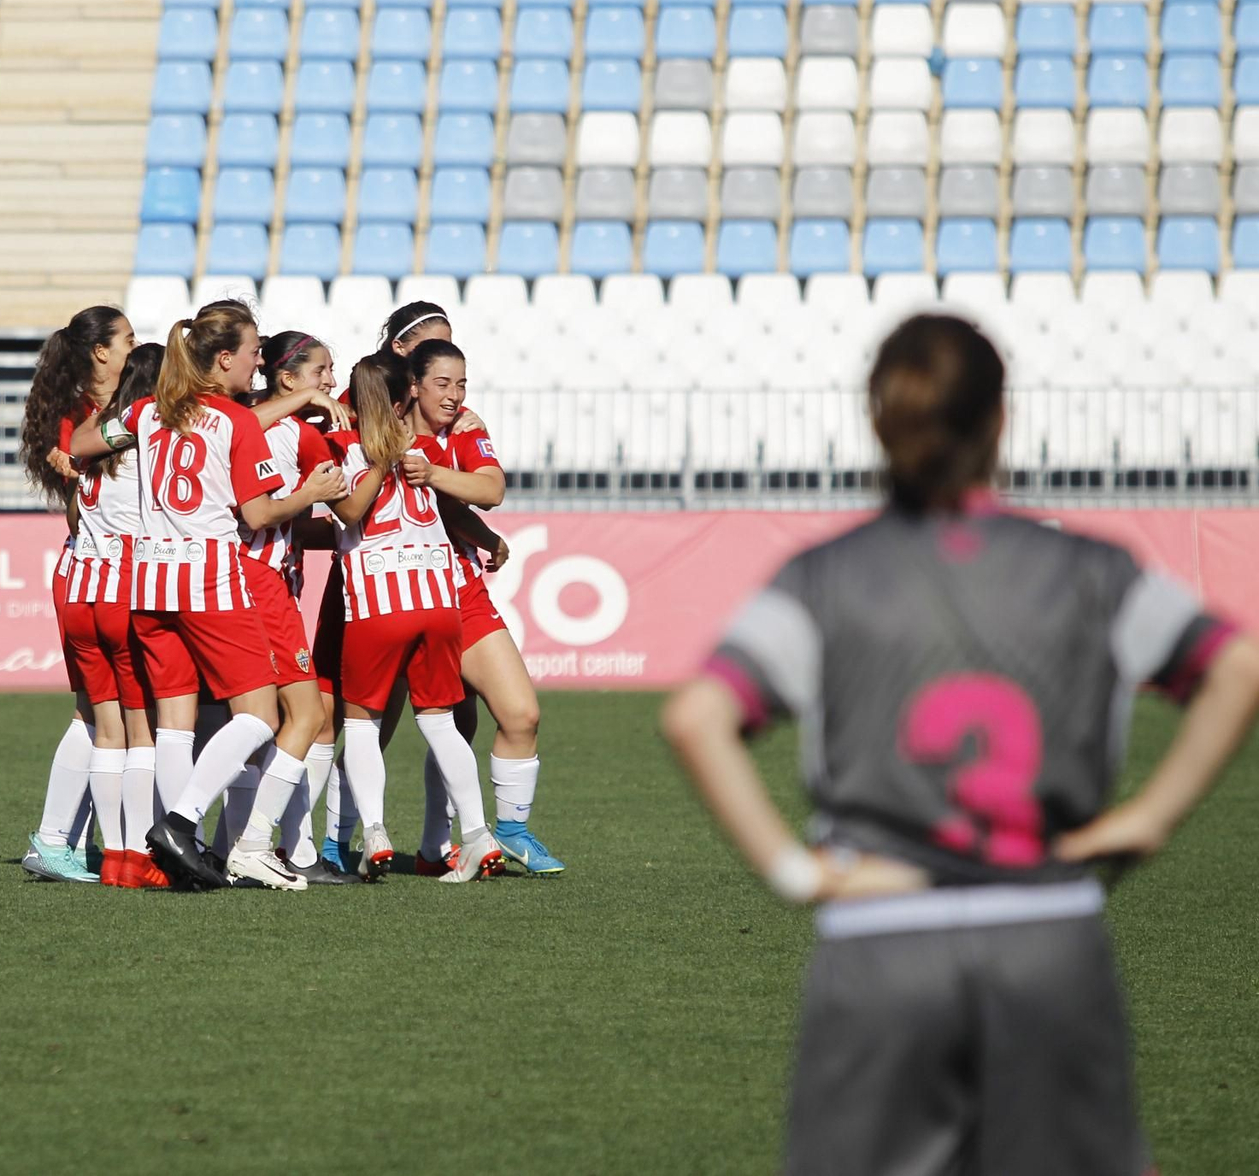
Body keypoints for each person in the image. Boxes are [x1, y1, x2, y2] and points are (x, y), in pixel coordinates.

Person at [661, 313, 1259, 1176]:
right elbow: (1234, 666)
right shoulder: (1092, 571)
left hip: (881, 937)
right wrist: (1151, 818)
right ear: (1001, 418)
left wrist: (799, 874)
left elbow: (697, 716)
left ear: (878, 423)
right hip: (1049, 930)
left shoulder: (825, 577)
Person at [69, 302, 346, 892]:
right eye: (251, 354)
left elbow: (86, 440)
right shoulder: (235, 422)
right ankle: (181, 823)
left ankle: (180, 851)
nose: (258, 364)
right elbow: (259, 512)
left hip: (148, 580)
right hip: (210, 579)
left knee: (174, 725)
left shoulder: (147, 411)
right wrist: (313, 492)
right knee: (260, 717)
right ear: (224, 359)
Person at [324, 352, 503, 883]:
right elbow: (462, 504)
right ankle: (475, 834)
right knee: (442, 723)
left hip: (379, 602)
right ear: (407, 397)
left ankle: (374, 830)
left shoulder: (339, 450)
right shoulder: (426, 448)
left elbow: (350, 513)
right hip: (439, 601)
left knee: (361, 725)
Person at [400, 338, 564, 874]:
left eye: (462, 383)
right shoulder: (380, 429)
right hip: (394, 597)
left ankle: (510, 830)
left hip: (461, 593)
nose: (454, 395)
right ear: (414, 383)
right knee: (364, 730)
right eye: (443, 384)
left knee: (518, 714)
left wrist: (437, 478)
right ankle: (333, 844)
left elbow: (490, 489)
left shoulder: (465, 430)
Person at [17, 305, 136, 883]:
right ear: (101, 352)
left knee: (107, 712)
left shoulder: (114, 407)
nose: (135, 349)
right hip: (95, 572)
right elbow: (76, 502)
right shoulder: (80, 417)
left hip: (108, 572)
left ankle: (81, 838)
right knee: (96, 711)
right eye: (128, 339)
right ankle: (54, 837)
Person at [238, 330, 356, 883]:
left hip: (230, 583)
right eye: (321, 372)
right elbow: (352, 500)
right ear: (287, 381)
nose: (331, 381)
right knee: (306, 717)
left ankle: (233, 846)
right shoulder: (291, 434)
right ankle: (272, 845)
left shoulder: (234, 422)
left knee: (242, 721)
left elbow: (287, 518)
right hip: (262, 587)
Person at [63, 343, 170, 889]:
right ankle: (134, 854)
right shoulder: (153, 438)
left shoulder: (96, 435)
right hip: (125, 592)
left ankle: (111, 860)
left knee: (106, 732)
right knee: (142, 732)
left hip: (81, 589)